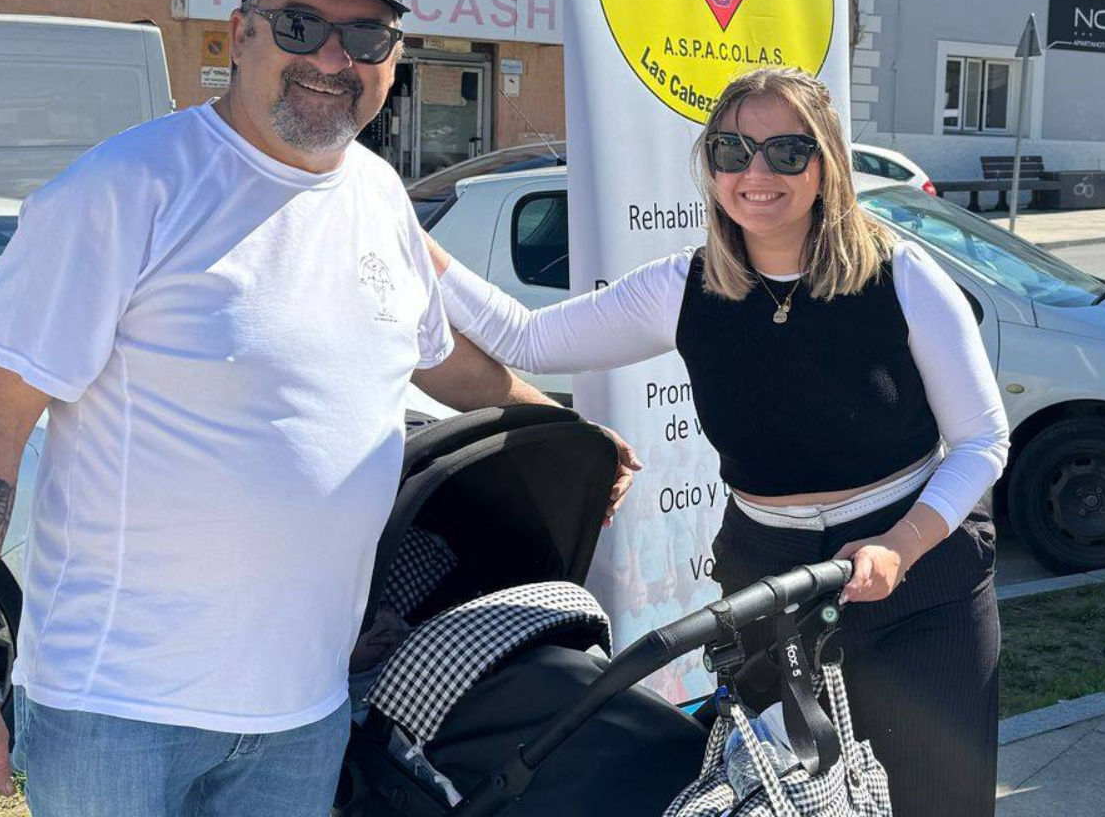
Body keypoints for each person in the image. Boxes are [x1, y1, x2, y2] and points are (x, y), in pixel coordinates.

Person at [0, 0, 590, 817]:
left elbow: (440, 361)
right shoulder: (122, 191)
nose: (333, 58)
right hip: (117, 712)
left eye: (366, 35)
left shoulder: (379, 197)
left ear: (395, 58)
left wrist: (563, 432)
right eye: (300, 26)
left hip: (303, 714)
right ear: (240, 33)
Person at [428, 67, 1009, 817]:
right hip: (768, 582)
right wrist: (401, 238)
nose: (756, 173)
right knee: (787, 800)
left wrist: (901, 545)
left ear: (827, 163)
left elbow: (982, 440)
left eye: (787, 152)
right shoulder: (683, 286)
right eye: (732, 151)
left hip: (921, 580)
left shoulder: (901, 276)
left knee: (935, 804)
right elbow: (526, 339)